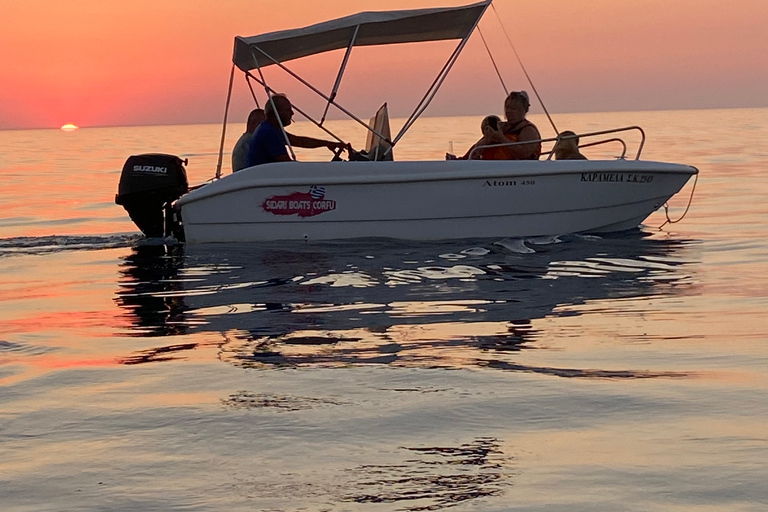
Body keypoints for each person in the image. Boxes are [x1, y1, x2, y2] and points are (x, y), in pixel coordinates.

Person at [246, 94, 348, 166]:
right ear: (274, 113)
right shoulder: (268, 132)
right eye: (288, 110)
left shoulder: (272, 129)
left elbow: (300, 141)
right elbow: (287, 164)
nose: (292, 113)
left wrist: (327, 143)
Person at [449, 91, 541, 161]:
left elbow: (524, 154)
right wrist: (487, 140)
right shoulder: (500, 127)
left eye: (513, 109)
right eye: (507, 108)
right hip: (490, 167)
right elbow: (478, 148)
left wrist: (501, 138)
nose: (509, 111)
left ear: (523, 110)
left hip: (515, 170)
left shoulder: (528, 130)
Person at [232, 108, 266, 172]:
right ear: (253, 124)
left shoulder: (246, 140)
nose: (266, 127)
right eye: (263, 124)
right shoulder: (250, 141)